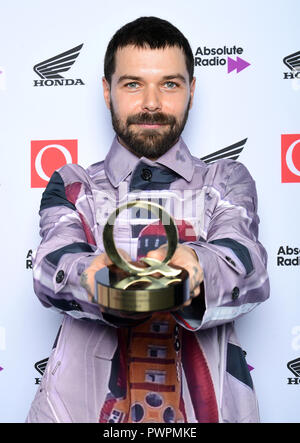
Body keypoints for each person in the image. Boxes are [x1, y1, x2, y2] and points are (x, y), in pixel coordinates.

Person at [26, 16, 270, 423]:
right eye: (133, 84)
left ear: (191, 92)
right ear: (107, 91)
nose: (152, 103)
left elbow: (249, 266)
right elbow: (52, 265)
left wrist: (193, 267)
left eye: (170, 84)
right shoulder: (74, 184)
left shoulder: (226, 179)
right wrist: (94, 278)